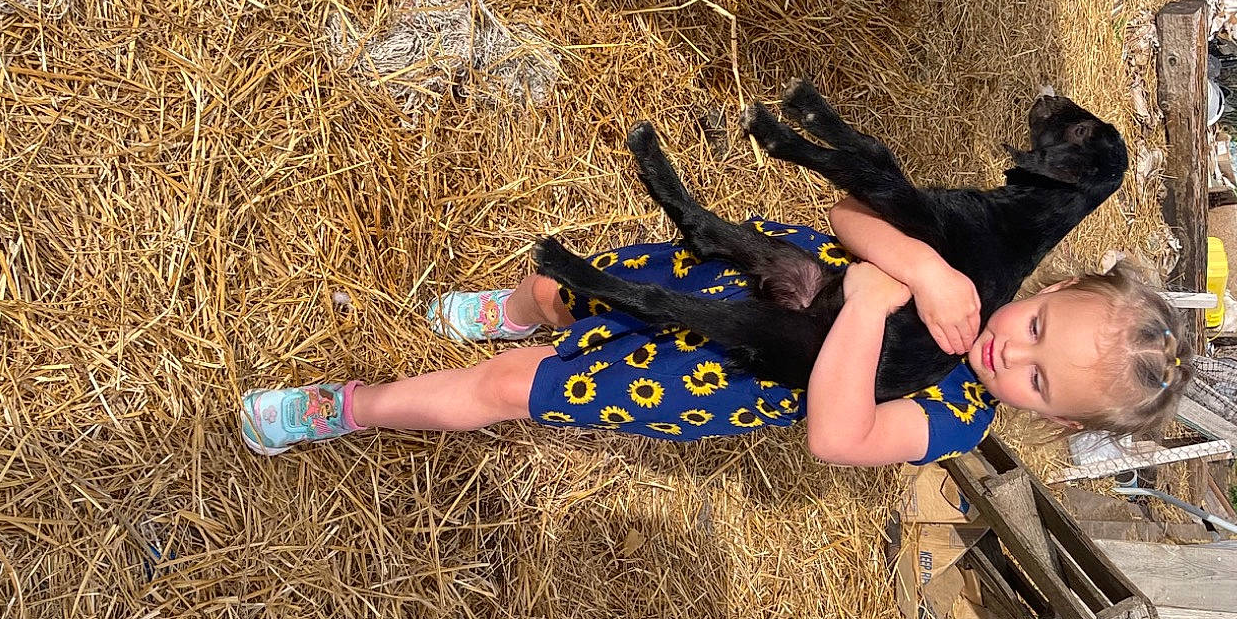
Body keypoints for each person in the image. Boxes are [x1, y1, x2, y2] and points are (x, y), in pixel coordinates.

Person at [238, 204, 1185, 467]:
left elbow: (837, 436)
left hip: (707, 378)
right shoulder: (965, 284)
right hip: (722, 280)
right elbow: (848, 216)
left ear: (1054, 422)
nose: (1011, 353)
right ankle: (516, 309)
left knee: (508, 390)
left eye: (1038, 380)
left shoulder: (956, 419)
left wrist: (867, 309)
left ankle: (351, 407)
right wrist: (922, 267)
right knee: (567, 290)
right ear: (1055, 286)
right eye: (1037, 327)